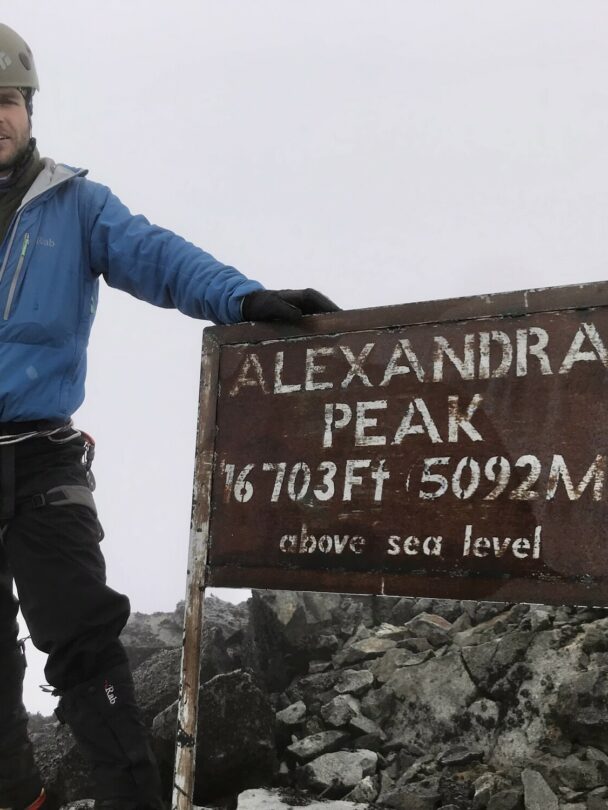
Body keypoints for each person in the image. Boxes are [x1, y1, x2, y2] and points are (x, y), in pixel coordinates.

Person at [0, 23, 338, 810]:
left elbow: (158, 257)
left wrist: (245, 297)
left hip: (42, 459)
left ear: (30, 108)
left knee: (83, 646)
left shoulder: (74, 204)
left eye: (9, 100)